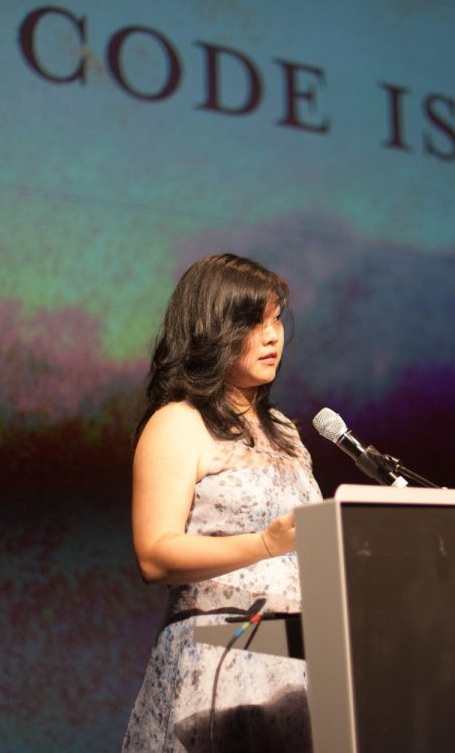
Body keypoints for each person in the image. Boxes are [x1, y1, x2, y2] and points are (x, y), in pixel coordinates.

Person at [122, 253, 322, 753]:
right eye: (255, 323)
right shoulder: (178, 423)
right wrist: (262, 544)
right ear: (214, 329)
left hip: (300, 668)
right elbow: (154, 554)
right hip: (220, 662)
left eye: (276, 319)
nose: (273, 336)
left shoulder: (287, 434)